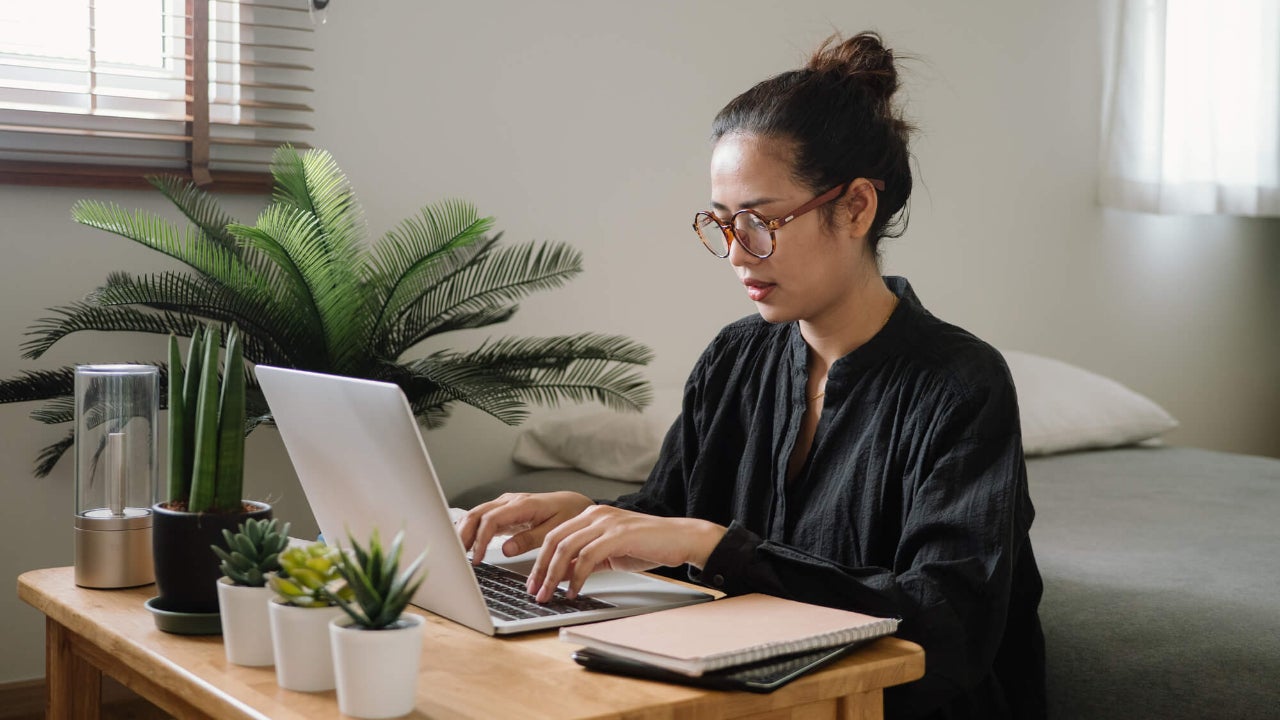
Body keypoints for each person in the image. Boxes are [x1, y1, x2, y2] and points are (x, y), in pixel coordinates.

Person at [458, 31, 1046, 720]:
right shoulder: (736, 357)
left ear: (856, 207)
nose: (738, 254)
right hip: (748, 692)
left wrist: (714, 546)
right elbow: (671, 513)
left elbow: (948, 624)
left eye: (762, 222)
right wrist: (586, 515)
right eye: (722, 223)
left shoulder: (959, 384)